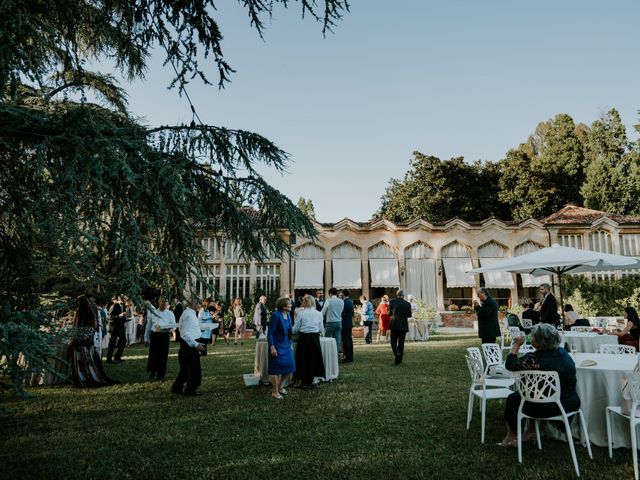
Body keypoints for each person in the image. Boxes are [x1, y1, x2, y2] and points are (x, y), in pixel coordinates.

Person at [499, 323, 580, 447]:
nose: (531, 339)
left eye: (532, 337)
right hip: (569, 403)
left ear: (539, 342)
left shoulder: (534, 358)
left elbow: (510, 364)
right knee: (533, 392)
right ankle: (530, 432)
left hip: (545, 407)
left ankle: (511, 436)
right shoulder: (563, 353)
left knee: (514, 398)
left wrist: (515, 345)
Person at [69, 295, 113, 388]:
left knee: (79, 360)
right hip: (89, 341)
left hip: (79, 341)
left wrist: (72, 340)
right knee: (90, 360)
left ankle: (82, 377)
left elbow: (75, 328)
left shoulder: (79, 312)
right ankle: (91, 374)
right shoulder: (91, 313)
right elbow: (94, 326)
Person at [171, 299, 205, 396]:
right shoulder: (188, 315)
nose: (199, 305)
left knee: (185, 368)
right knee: (192, 369)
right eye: (197, 303)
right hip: (189, 345)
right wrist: (195, 344)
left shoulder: (190, 313)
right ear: (191, 304)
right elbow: (185, 333)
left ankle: (177, 387)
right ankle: (190, 390)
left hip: (190, 343)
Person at [292, 294, 325, 389]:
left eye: (303, 301)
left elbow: (296, 328)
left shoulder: (301, 313)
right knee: (313, 359)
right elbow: (321, 328)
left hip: (304, 337)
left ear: (306, 302)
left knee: (303, 359)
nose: (301, 303)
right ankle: (311, 380)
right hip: (315, 337)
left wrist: (292, 331)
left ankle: (304, 381)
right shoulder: (319, 313)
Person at [268, 297, 296, 400]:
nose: (291, 306)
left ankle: (280, 386)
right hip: (276, 345)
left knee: (290, 366)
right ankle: (275, 391)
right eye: (289, 305)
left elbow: (289, 332)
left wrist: (290, 343)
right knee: (276, 369)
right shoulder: (275, 315)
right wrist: (272, 347)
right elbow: (270, 333)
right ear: (284, 307)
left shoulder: (288, 315)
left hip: (286, 344)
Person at [144, 296, 177, 380]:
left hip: (164, 336)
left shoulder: (170, 313)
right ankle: (152, 372)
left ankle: (161, 373)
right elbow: (148, 326)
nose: (164, 303)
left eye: (165, 302)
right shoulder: (153, 312)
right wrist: (146, 338)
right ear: (159, 302)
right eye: (162, 301)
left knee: (163, 355)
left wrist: (170, 329)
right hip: (155, 335)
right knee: (153, 354)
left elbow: (174, 325)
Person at [389, 290, 412, 365]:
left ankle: (397, 353)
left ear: (396, 295)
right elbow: (409, 315)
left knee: (393, 341)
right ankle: (399, 360)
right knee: (401, 343)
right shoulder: (407, 304)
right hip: (403, 324)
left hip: (394, 323)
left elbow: (389, 313)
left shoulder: (392, 302)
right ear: (403, 295)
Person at [321, 287, 344, 353]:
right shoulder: (341, 301)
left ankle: (327, 354)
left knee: (326, 339)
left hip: (330, 322)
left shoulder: (328, 301)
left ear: (330, 293)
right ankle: (335, 356)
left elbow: (323, 312)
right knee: (337, 340)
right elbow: (341, 311)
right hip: (339, 322)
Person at [106, 295, 127, 363]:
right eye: (123, 299)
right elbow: (111, 317)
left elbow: (123, 315)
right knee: (112, 342)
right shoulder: (114, 306)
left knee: (123, 340)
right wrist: (119, 316)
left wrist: (124, 318)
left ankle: (117, 357)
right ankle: (109, 359)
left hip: (120, 326)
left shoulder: (123, 305)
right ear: (119, 299)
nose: (124, 301)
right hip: (114, 327)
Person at [341, 289, 355, 363]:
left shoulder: (344, 302)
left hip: (344, 323)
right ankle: (350, 356)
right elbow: (352, 313)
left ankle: (347, 357)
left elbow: (343, 313)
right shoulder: (351, 301)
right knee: (349, 340)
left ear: (343, 294)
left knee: (345, 341)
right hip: (349, 323)